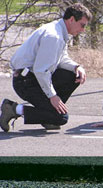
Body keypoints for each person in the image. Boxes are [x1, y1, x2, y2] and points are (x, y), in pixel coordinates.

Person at [0, 3, 92, 132]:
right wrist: (52, 96)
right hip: (25, 82)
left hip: (34, 77)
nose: (83, 30)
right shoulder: (53, 36)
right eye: (82, 25)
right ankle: (13, 109)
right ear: (71, 19)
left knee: (73, 75)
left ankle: (49, 113)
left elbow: (61, 59)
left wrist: (77, 67)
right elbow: (41, 70)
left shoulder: (60, 30)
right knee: (61, 118)